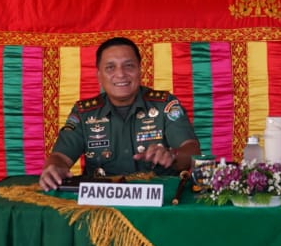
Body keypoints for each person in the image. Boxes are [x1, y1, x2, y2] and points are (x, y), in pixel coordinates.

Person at [39, 37, 201, 190]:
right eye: (110, 67)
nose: (121, 74)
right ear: (99, 76)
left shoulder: (164, 104)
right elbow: (61, 157)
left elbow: (192, 150)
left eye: (129, 66)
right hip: (102, 201)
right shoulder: (84, 113)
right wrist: (54, 168)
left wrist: (173, 156)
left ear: (140, 70)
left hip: (160, 199)